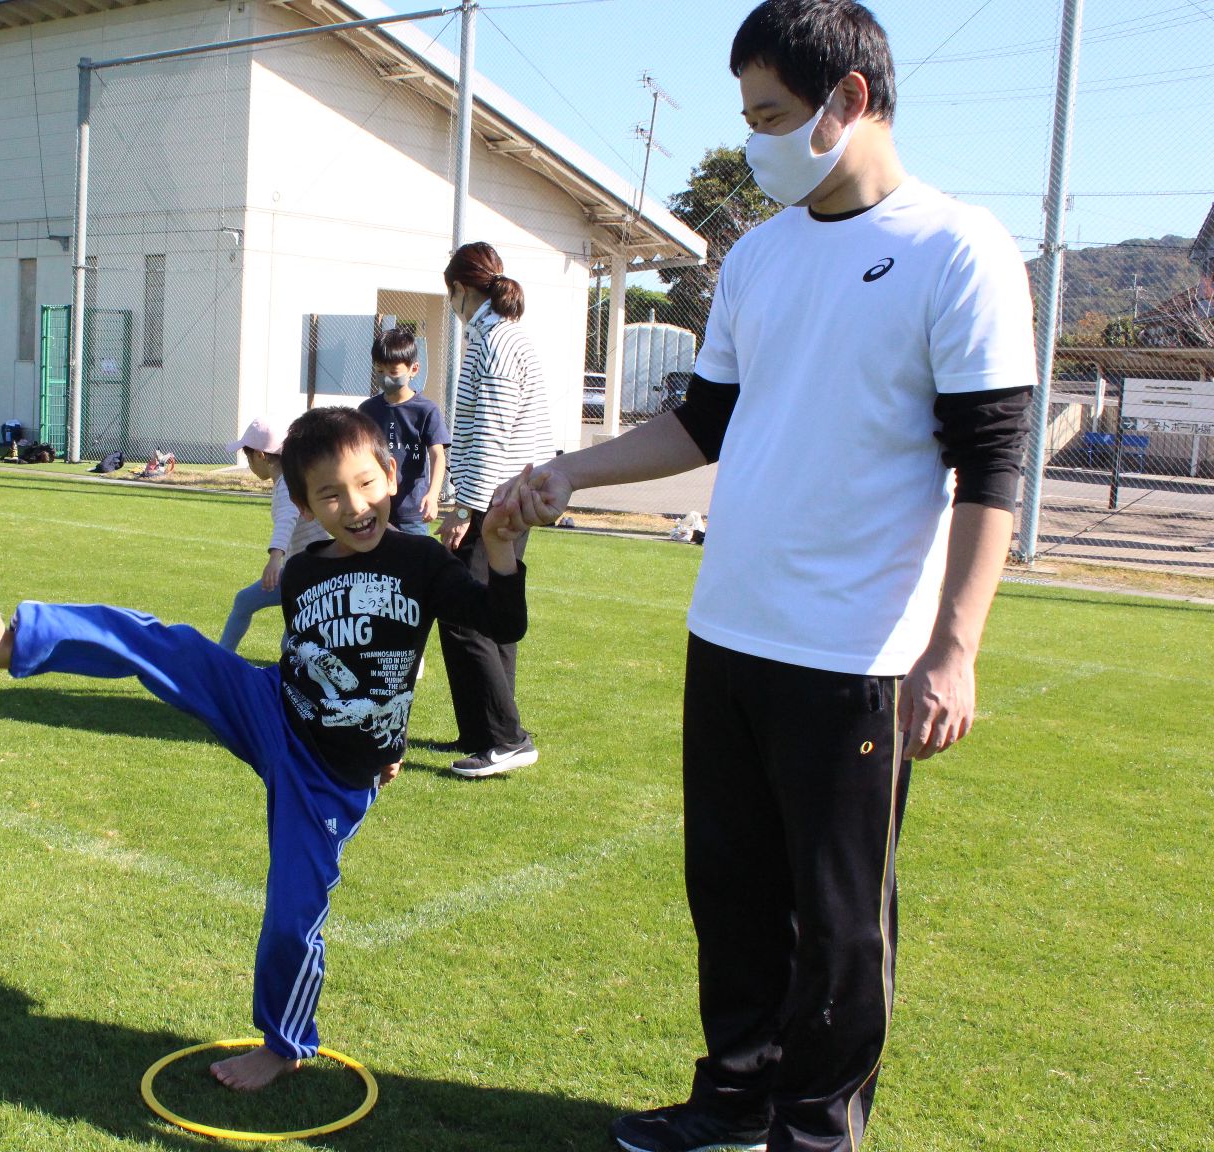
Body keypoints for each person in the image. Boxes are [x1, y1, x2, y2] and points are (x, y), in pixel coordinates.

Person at [495, 3, 1036, 1149]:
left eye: (774, 116)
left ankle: (815, 1130)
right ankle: (736, 1100)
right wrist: (567, 473)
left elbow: (994, 461)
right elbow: (703, 424)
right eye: (748, 117)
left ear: (849, 100)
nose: (757, 142)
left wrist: (957, 647)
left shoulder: (960, 248)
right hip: (731, 631)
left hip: (859, 656)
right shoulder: (762, 254)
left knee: (841, 927)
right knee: (731, 898)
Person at [0, 407, 530, 1092]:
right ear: (303, 505)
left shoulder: (423, 561)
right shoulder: (303, 575)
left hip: (326, 781)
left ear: (392, 475)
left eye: (366, 484)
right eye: (329, 494)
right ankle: (9, 643)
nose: (354, 506)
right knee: (165, 644)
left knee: (293, 911)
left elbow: (500, 622)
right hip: (272, 709)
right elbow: (321, 659)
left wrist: (501, 552)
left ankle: (285, 1043)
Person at [437, 241, 553, 778]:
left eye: (451, 297)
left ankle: (506, 738)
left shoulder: (495, 342)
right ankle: (485, 731)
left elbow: (489, 430)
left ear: (461, 290)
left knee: (463, 615)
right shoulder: (505, 337)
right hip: (507, 498)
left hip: (494, 502)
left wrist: (465, 508)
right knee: (494, 618)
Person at [218, 416, 331, 652]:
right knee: (245, 602)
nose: (249, 465)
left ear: (260, 455)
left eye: (248, 457)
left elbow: (286, 519)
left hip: (310, 575)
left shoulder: (287, 485)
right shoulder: (290, 479)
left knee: (289, 643)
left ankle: (224, 660)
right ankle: (222, 657)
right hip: (299, 571)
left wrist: (274, 558)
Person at [359, 328, 449, 537]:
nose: (386, 378)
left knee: (413, 566)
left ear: (413, 369)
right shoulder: (367, 410)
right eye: (380, 371)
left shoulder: (426, 410)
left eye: (393, 372)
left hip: (412, 513)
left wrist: (432, 495)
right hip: (374, 507)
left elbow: (438, 456)